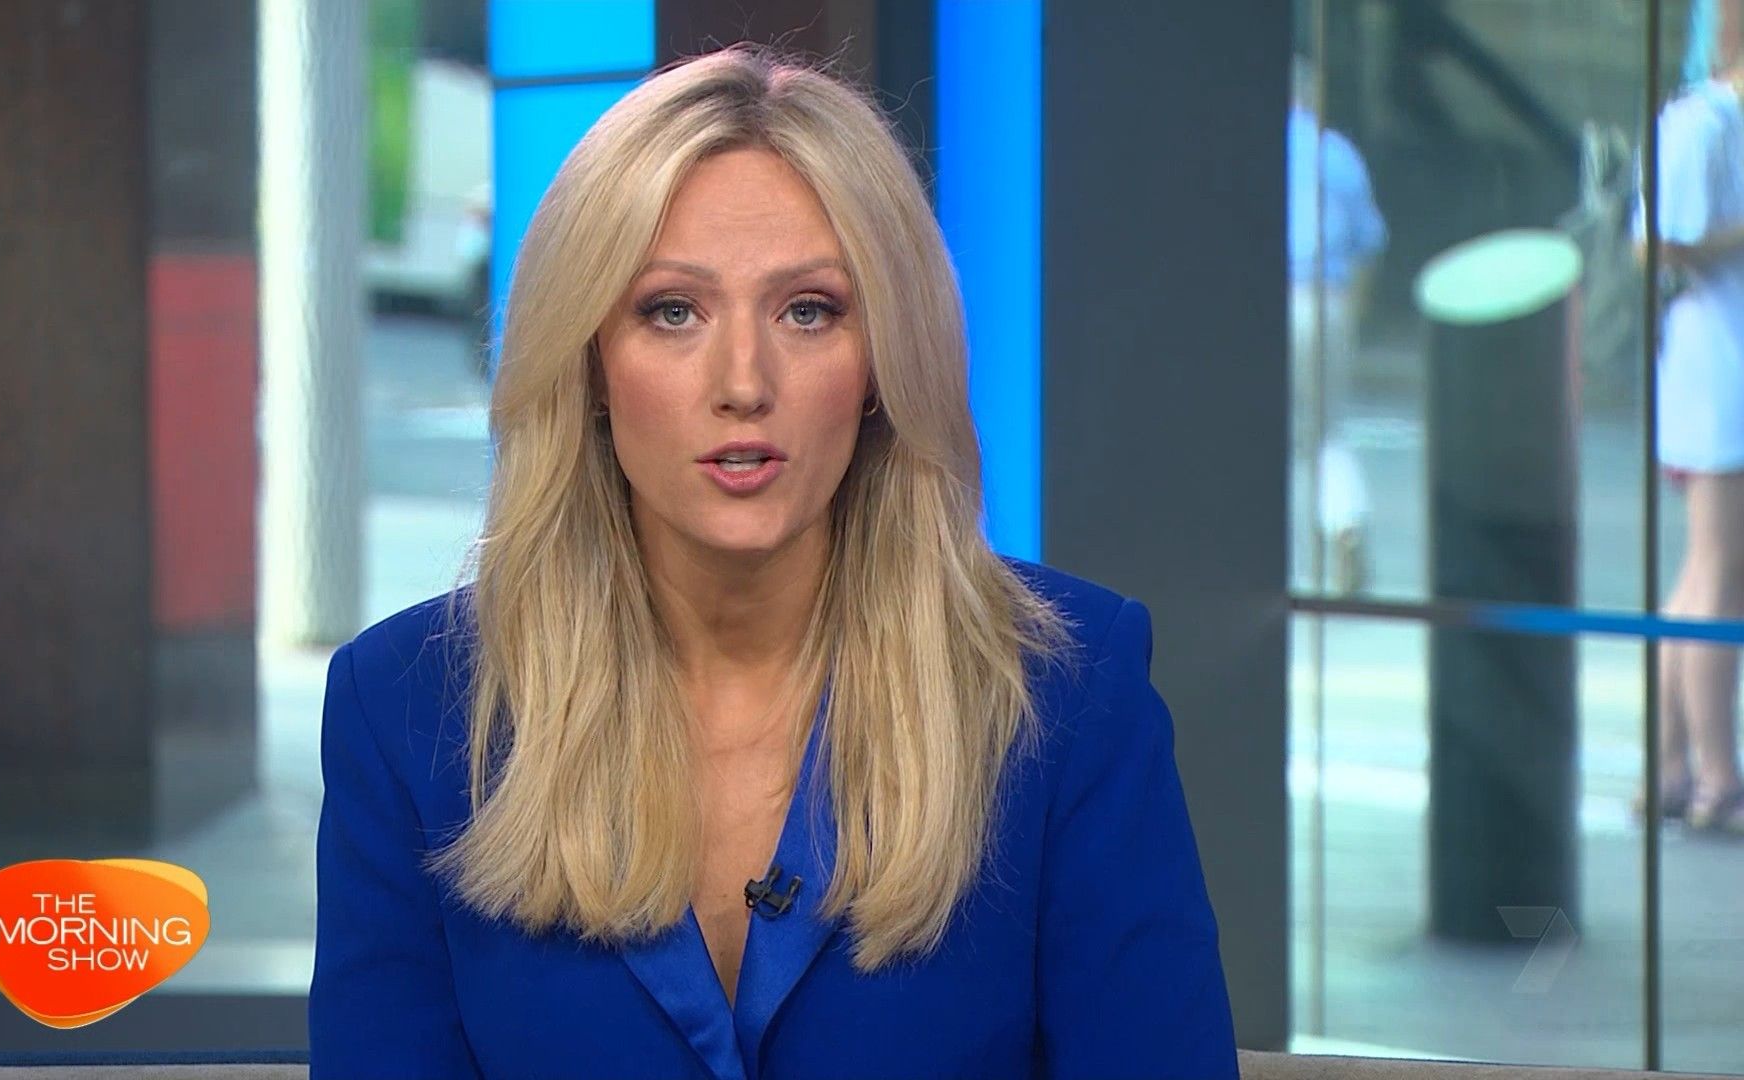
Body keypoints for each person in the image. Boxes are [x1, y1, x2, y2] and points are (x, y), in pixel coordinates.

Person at [307, 44, 1237, 1080]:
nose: (744, 382)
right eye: (673, 311)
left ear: (882, 359)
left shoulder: (1066, 692)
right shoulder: (406, 710)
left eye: (808, 311)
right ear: (590, 363)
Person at [1633, 0, 1744, 833]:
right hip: (1716, 360)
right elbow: (1656, 242)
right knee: (1717, 568)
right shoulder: (1702, 124)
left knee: (1709, 568)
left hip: (1727, 355)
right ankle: (1714, 773)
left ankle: (1674, 765)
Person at [1288, 54, 1388, 596]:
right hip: (1328, 297)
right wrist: (1354, 308)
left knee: (1277, 433)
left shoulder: (1253, 150)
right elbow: (1369, 241)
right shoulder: (1338, 153)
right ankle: (1344, 519)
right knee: (1327, 429)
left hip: (1274, 301)